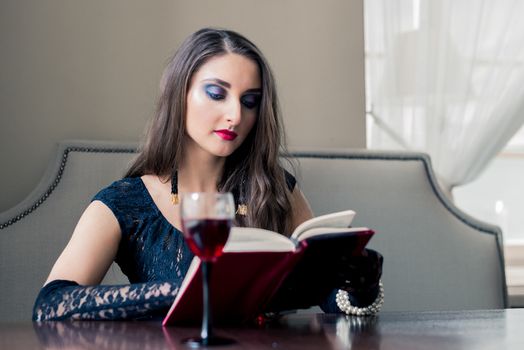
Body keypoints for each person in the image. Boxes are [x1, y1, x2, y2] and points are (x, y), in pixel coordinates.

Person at [32, 28, 383, 321]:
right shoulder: (125, 203)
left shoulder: (276, 189)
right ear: (179, 94)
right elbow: (50, 305)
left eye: (250, 101)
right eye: (217, 94)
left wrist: (361, 288)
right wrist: (177, 293)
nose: (235, 115)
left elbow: (328, 299)